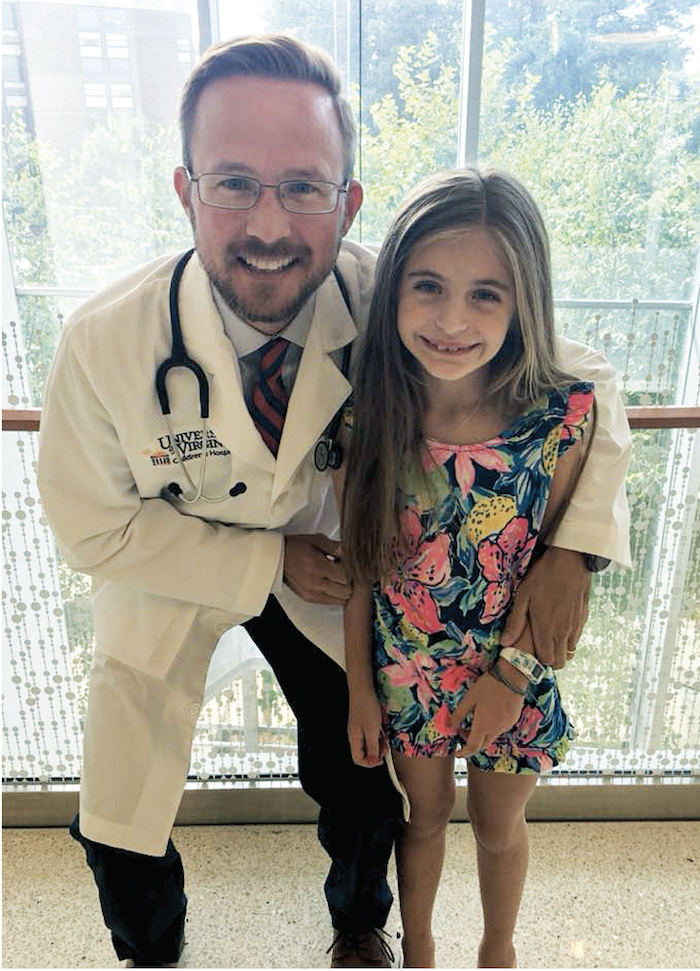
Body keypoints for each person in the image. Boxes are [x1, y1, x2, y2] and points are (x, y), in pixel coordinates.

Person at [35, 34, 630, 971]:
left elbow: (581, 378)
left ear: (346, 201)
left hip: (331, 586)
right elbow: (90, 526)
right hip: (169, 578)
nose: (268, 224)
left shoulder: (386, 295)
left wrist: (573, 548)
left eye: (303, 187)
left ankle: (361, 923)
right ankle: (151, 949)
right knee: (119, 816)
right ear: (185, 189)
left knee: (361, 785)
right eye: (233, 182)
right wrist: (264, 560)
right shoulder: (104, 340)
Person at [339, 168, 625, 969]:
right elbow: (362, 567)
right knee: (422, 818)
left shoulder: (559, 418)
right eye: (428, 286)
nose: (452, 320)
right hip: (406, 670)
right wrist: (362, 688)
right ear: (394, 286)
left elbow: (559, 573)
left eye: (486, 295)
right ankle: (421, 950)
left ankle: (497, 952)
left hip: (514, 665)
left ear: (523, 300)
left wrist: (512, 673)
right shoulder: (369, 415)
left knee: (499, 827)